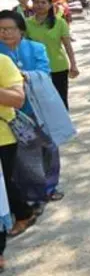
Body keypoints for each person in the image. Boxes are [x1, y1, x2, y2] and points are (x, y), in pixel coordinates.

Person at [0, 10, 68, 205]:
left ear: (21, 30)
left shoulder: (36, 48)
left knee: (48, 148)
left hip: (37, 106)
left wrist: (24, 76)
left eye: (9, 29)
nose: (5, 33)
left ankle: (49, 187)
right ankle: (28, 197)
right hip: (11, 111)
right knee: (22, 157)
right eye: (1, 29)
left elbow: (44, 73)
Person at [0, 52, 33, 241]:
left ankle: (23, 214)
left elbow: (17, 100)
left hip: (4, 138)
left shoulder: (3, 62)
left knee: (10, 185)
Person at [25, 0, 79, 109]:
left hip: (58, 67)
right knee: (41, 103)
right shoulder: (27, 23)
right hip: (35, 69)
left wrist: (73, 65)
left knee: (60, 100)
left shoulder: (59, 23)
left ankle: (64, 126)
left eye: (43, 2)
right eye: (36, 2)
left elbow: (67, 45)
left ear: (50, 5)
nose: (39, 5)